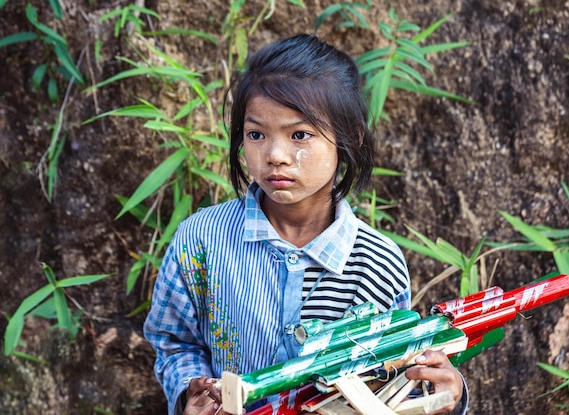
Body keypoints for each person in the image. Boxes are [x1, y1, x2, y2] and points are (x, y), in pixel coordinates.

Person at [143, 33, 468, 415]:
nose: (275, 155)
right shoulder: (201, 240)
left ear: (349, 139)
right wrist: (189, 395)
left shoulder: (378, 263)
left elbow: (388, 377)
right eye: (256, 134)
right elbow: (173, 341)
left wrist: (444, 394)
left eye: (300, 134)